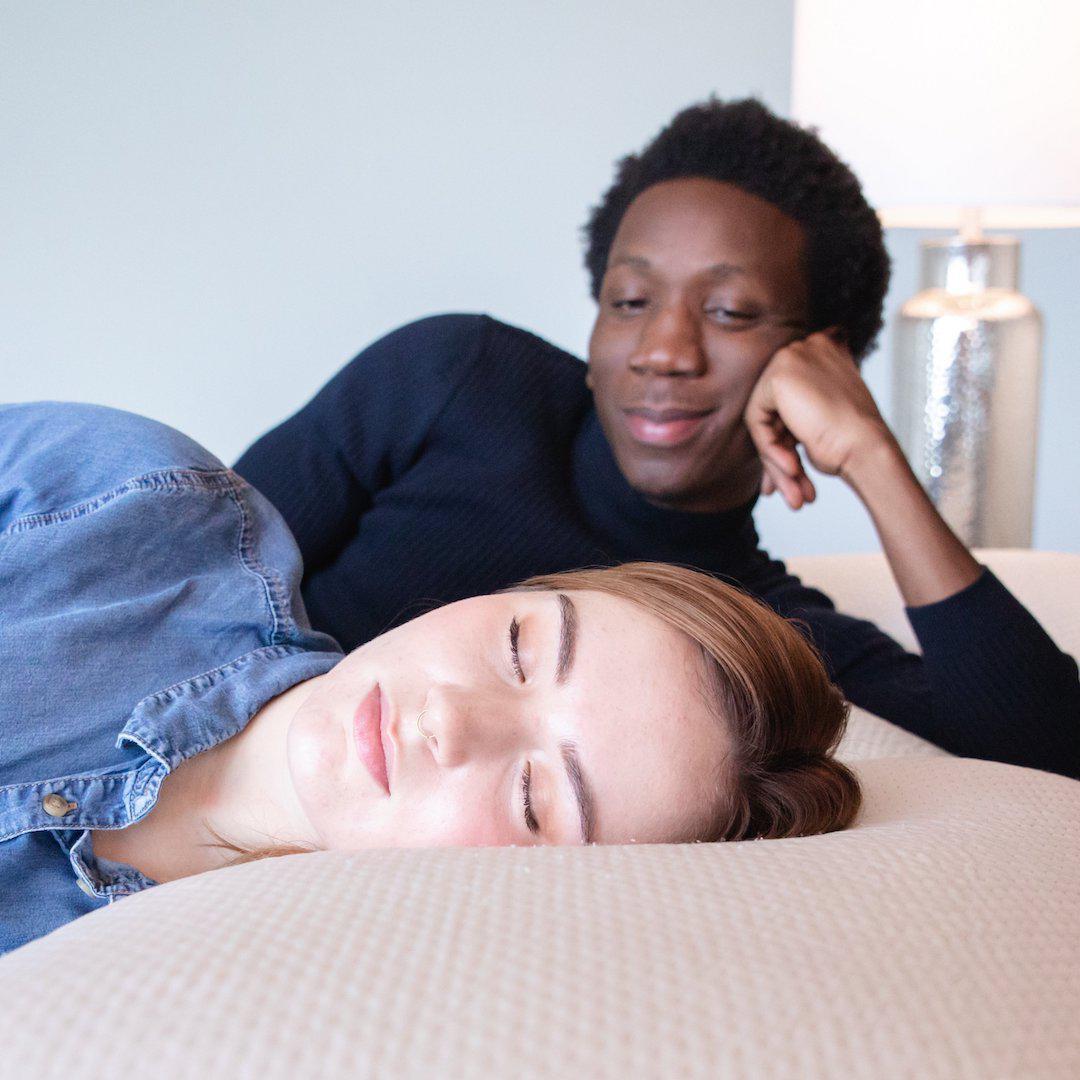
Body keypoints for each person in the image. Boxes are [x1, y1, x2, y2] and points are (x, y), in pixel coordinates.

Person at [234, 97, 1080, 781]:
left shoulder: (751, 626)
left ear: (819, 356)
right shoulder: (458, 376)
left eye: (729, 312)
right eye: (630, 301)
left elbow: (1049, 752)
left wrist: (870, 456)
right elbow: (192, 573)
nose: (663, 352)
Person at [0, 401, 858, 956]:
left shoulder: (247, 1016)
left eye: (535, 798)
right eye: (520, 648)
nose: (452, 721)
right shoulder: (137, 500)